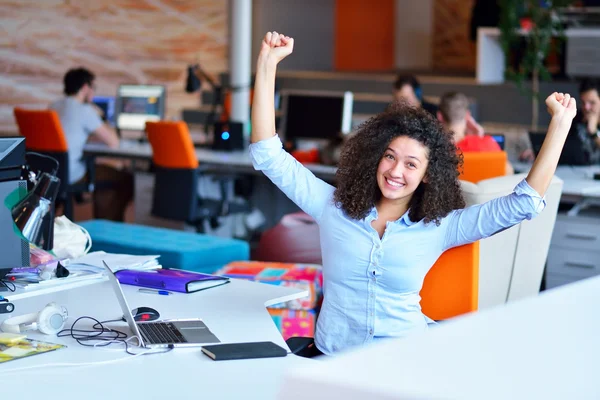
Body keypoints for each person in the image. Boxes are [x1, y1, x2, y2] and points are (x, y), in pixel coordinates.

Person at [251, 31, 577, 356]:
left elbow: (524, 203)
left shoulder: (440, 227)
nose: (395, 171)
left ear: (426, 176)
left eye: (411, 164)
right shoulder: (332, 207)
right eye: (390, 156)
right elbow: (269, 155)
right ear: (376, 156)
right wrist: (267, 63)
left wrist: (560, 125)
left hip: (403, 360)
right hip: (334, 356)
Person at [50, 68, 133, 221]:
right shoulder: (85, 110)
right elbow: (113, 142)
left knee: (105, 175)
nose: (93, 93)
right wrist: (102, 116)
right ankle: (107, 227)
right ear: (85, 88)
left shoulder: (54, 106)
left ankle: (102, 222)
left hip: (52, 172)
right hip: (73, 174)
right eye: (93, 88)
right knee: (125, 178)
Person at [437, 91, 514, 174]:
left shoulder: (438, 150)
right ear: (468, 115)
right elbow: (509, 172)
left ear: (440, 116)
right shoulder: (487, 143)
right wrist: (480, 137)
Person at [573, 78, 600, 164]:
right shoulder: (576, 118)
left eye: (592, 103)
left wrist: (594, 132)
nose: (586, 108)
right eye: (583, 103)